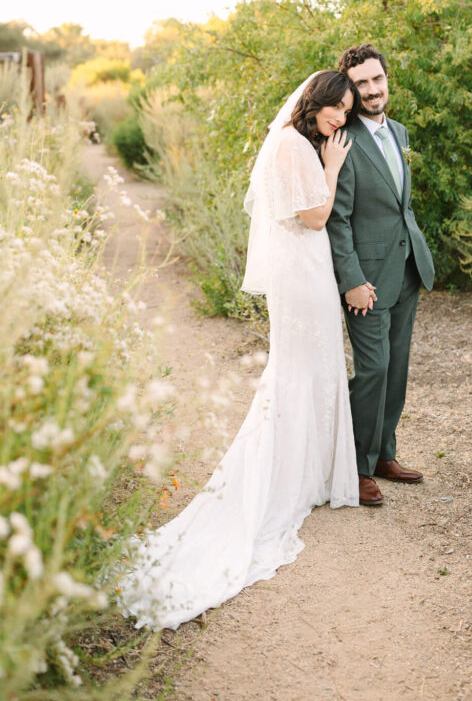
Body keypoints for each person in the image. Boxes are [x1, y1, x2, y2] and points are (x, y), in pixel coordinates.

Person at [118, 70, 361, 630]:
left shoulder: (288, 142)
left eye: (347, 112)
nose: (341, 120)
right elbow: (314, 217)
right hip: (303, 279)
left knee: (305, 369)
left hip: (302, 274)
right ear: (316, 102)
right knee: (302, 369)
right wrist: (333, 167)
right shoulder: (298, 147)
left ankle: (312, 474)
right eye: (337, 109)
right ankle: (299, 477)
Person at [326, 45, 435, 507]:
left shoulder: (401, 132)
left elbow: (397, 202)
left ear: (387, 78)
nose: (372, 90)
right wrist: (350, 277)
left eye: (377, 79)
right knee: (372, 370)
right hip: (364, 279)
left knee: (397, 367)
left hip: (405, 267)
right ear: (351, 88)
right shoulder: (342, 141)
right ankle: (356, 466)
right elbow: (338, 218)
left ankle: (384, 452)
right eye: (362, 83)